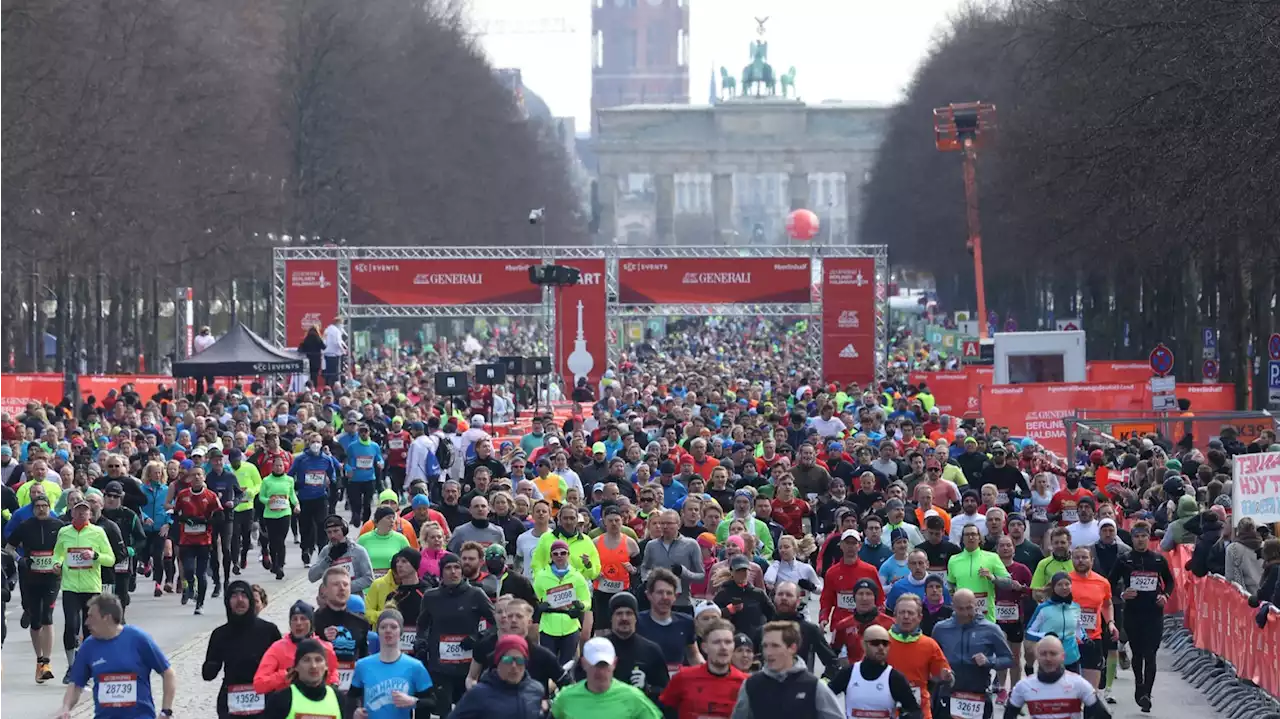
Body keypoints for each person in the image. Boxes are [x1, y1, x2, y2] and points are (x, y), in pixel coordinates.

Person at [57, 594, 176, 719]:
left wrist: (166, 711)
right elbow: (76, 684)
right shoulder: (88, 646)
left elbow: (168, 673)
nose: (86, 622)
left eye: (91, 617)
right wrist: (65, 708)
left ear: (107, 618)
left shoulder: (138, 638)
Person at [412, 551, 496, 715]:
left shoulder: (476, 594)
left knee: (469, 712)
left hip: (469, 667)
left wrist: (478, 637)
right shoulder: (431, 596)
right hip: (440, 667)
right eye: (448, 568)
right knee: (444, 713)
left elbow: (497, 624)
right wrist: (421, 641)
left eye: (457, 567)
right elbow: (421, 625)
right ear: (441, 572)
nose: (453, 572)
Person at [1107, 520, 1174, 712]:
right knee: (1137, 654)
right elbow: (1109, 582)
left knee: (1150, 654)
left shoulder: (1158, 560)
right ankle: (1139, 685)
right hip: (1133, 613)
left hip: (1154, 612)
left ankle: (1146, 693)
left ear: (1148, 537)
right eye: (1136, 536)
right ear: (1132, 538)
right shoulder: (1124, 559)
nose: (1140, 540)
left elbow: (1170, 582)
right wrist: (1121, 594)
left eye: (1144, 536)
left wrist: (1165, 595)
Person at [53, 495, 116, 682]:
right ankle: (72, 666)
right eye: (78, 510)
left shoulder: (98, 532)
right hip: (71, 586)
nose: (81, 513)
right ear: (72, 512)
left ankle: (90, 665)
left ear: (90, 513)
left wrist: (95, 555)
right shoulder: (64, 532)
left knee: (90, 628)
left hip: (91, 586)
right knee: (71, 625)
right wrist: (57, 563)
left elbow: (110, 558)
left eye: (85, 510)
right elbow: (58, 554)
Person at [729, 620, 844, 719]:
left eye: (775, 646)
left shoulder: (814, 686)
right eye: (765, 646)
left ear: (792, 648)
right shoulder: (751, 684)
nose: (768, 652)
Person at [203, 579, 283, 719]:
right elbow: (208, 674)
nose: (240, 600)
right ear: (227, 602)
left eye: (244, 595)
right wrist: (212, 665)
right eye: (234, 596)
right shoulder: (220, 634)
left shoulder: (269, 630)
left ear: (251, 601)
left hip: (264, 699)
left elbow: (282, 667)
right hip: (231, 700)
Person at [6, 490, 63, 682]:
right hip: (30, 577)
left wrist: (60, 562)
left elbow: (65, 549)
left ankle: (46, 661)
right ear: (33, 509)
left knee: (47, 616)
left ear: (49, 507)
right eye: (37, 507)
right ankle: (39, 660)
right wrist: (20, 559)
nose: (41, 509)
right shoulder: (25, 526)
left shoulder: (59, 526)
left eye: (44, 506)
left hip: (51, 578)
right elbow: (9, 548)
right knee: (35, 619)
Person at [932, 588, 1013, 719]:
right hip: (948, 693)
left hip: (978, 694)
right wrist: (939, 672)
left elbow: (1008, 659)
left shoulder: (991, 629)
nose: (965, 613)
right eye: (960, 609)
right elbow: (932, 659)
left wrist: (989, 661)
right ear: (953, 607)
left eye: (969, 608)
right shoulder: (940, 628)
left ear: (976, 605)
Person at [469, 597, 569, 693]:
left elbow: (567, 685)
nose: (513, 620)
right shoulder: (490, 653)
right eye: (509, 616)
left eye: (519, 616)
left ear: (529, 622)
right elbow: (473, 679)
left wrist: (552, 704)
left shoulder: (543, 655)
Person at [350, 609, 435, 719]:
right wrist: (355, 711)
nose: (388, 630)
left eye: (393, 627)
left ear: (401, 632)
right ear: (377, 631)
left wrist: (414, 701)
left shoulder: (415, 666)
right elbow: (351, 699)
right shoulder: (363, 665)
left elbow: (432, 703)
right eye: (383, 627)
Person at [551, 637, 662, 719]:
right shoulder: (565, 698)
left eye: (604, 665)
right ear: (584, 663)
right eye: (595, 665)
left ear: (614, 663)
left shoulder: (633, 697)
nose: (600, 671)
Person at [1002, 636, 1110, 719]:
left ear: (1063, 656)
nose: (1048, 658)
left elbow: (1103, 716)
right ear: (1036, 656)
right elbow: (1009, 716)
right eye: (1043, 654)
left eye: (1053, 654)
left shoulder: (1078, 683)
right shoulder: (1024, 686)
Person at [829, 624, 923, 719]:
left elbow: (915, 711)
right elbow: (823, 698)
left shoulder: (895, 678)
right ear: (863, 645)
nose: (881, 647)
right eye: (875, 643)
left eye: (885, 643)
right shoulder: (848, 673)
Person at [659, 618, 748, 719]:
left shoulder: (746, 683)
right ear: (705, 647)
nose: (723, 647)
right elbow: (662, 711)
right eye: (717, 642)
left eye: (728, 642)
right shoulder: (683, 677)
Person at [450, 633, 548, 719]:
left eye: (519, 661)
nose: (514, 666)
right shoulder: (478, 694)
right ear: (498, 662)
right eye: (508, 660)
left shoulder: (536, 690)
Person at [253, 601, 341, 694]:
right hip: (288, 703)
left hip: (317, 703)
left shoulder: (325, 647)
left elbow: (333, 674)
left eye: (303, 618)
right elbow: (259, 684)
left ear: (311, 623)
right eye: (294, 619)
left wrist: (333, 684)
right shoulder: (277, 648)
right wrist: (285, 674)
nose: (298, 623)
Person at [886, 594, 952, 719]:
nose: (906, 617)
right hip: (887, 711)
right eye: (902, 612)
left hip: (920, 712)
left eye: (910, 613)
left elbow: (944, 675)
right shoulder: (882, 641)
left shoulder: (929, 644)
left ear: (919, 617)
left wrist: (946, 677)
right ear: (894, 616)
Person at [313, 566, 371, 694]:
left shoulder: (361, 622)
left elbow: (364, 658)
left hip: (352, 691)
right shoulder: (313, 621)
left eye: (346, 584)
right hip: (320, 689)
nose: (342, 588)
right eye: (336, 584)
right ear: (324, 590)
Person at [174, 466, 224, 613]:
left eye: (199, 475)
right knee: (189, 570)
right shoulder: (183, 495)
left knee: (201, 573)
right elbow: (175, 514)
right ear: (189, 478)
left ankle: (199, 604)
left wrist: (206, 522)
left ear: (204, 478)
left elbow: (220, 516)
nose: (196, 477)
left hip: (204, 541)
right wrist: (185, 519)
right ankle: (190, 583)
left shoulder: (211, 495)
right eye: (194, 475)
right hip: (186, 540)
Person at [637, 568, 704, 677]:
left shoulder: (686, 622)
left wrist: (705, 673)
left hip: (677, 684)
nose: (664, 597)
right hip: (647, 683)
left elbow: (693, 655)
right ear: (649, 595)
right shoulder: (638, 622)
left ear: (675, 597)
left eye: (669, 593)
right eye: (660, 592)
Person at [1067, 544, 1115, 690]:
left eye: (1084, 557)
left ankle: (1089, 711)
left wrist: (1111, 622)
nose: (1080, 561)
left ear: (1092, 561)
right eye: (1076, 558)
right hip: (1069, 639)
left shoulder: (1102, 582)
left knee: (1090, 690)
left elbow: (1107, 604)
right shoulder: (1065, 581)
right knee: (1069, 687)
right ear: (1072, 560)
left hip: (1093, 638)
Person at [260, 637, 344, 719]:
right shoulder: (281, 699)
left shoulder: (338, 698)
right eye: (306, 660)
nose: (313, 666)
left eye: (318, 660)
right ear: (296, 667)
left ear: (326, 666)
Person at [819, 529, 884, 630]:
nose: (850, 546)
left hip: (865, 623)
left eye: (854, 543)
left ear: (859, 546)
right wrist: (823, 618)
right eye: (847, 543)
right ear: (841, 545)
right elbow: (826, 599)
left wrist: (880, 619)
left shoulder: (870, 570)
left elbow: (880, 598)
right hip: (840, 624)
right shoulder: (832, 573)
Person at [1025, 573, 1085, 674]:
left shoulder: (1075, 607)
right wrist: (1045, 635)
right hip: (1049, 659)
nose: (1064, 587)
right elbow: (1029, 632)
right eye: (1059, 585)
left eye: (1067, 584)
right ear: (1053, 588)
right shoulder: (1043, 608)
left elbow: (1078, 629)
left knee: (1071, 689)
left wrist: (1085, 639)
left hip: (1072, 657)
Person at [308, 514, 375, 593]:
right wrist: (328, 559)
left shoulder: (358, 551)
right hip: (332, 602)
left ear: (344, 531)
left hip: (353, 599)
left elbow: (369, 579)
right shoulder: (326, 551)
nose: (332, 535)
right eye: (329, 532)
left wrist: (342, 588)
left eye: (336, 531)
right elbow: (312, 577)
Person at [259, 455, 301, 580]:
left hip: (284, 513)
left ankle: (280, 566)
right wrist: (269, 501)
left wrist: (297, 505)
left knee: (281, 541)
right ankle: (274, 562)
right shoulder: (266, 481)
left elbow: (292, 495)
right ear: (272, 467)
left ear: (285, 467)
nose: (278, 468)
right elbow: (261, 497)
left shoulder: (289, 480)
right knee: (273, 541)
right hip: (270, 514)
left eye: (281, 466)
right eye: (276, 466)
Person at [360, 506, 412, 579]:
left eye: (393, 518)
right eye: (388, 518)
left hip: (393, 584)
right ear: (377, 521)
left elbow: (410, 563)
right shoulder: (363, 539)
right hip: (369, 585)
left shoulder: (401, 539)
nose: (392, 521)